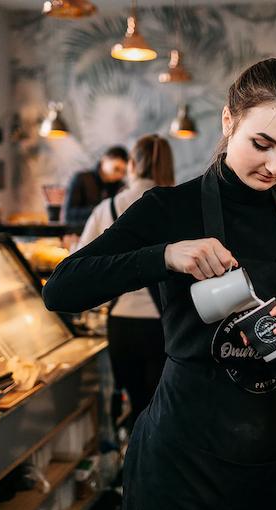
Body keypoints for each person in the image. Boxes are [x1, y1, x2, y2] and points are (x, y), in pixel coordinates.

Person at [43, 58, 276, 510]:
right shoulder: (169, 208)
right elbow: (62, 288)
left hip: (270, 449)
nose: (275, 165)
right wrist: (164, 255)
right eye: (261, 144)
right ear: (228, 121)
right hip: (181, 452)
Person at [78, 134, 175, 428]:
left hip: (122, 323)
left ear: (132, 164)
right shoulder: (176, 205)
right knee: (163, 406)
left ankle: (132, 466)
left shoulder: (106, 209)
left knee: (134, 406)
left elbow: (79, 265)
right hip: (166, 324)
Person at [64, 145, 128, 232]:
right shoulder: (81, 178)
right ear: (104, 160)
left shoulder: (120, 186)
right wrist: (99, 210)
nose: (120, 175)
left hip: (106, 234)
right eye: (116, 169)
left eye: (123, 172)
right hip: (79, 233)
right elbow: (69, 215)